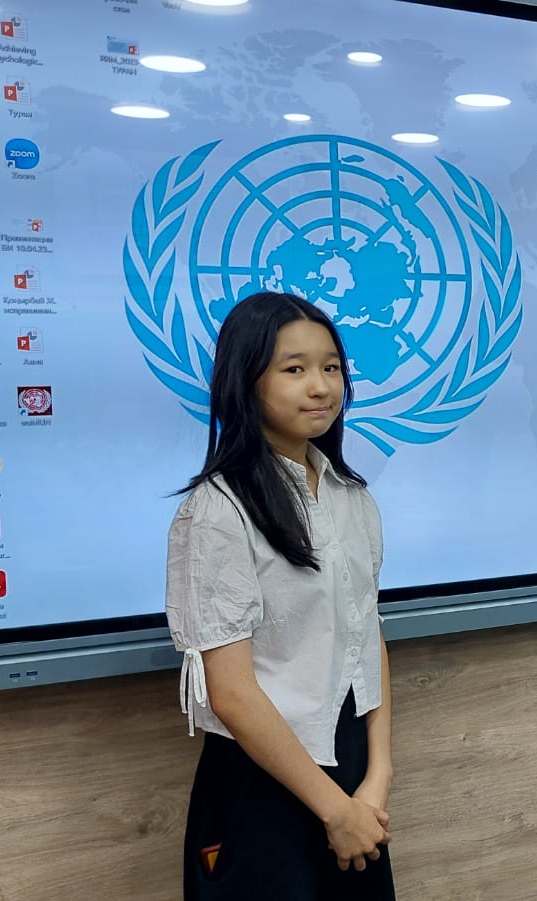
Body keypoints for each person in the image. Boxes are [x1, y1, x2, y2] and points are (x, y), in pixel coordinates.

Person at [165, 291, 395, 900]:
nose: (320, 386)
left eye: (331, 367)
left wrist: (378, 775)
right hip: (263, 777)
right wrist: (335, 810)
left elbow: (367, 634)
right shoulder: (217, 510)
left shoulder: (352, 496)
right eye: (294, 369)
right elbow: (232, 693)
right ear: (247, 381)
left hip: (352, 768)